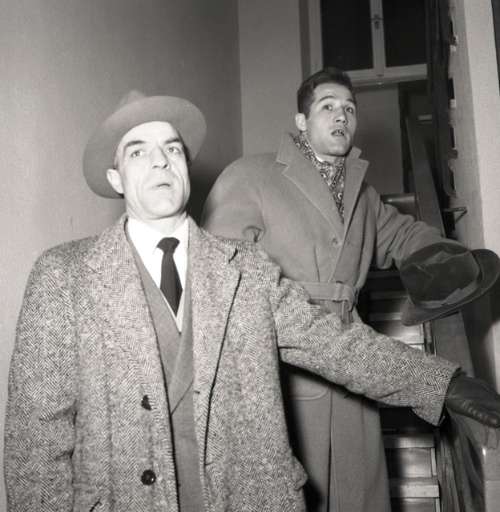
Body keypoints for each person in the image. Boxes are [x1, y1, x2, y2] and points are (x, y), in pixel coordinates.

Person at [4, 91, 500, 512]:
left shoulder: (247, 270)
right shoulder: (64, 276)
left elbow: (336, 344)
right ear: (116, 179)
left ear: (186, 168)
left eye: (172, 149)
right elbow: (35, 442)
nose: (160, 161)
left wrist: (444, 384)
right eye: (138, 152)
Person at [201, 67, 495, 511]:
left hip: (358, 366)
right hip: (283, 366)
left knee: (358, 493)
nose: (342, 116)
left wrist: (444, 258)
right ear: (301, 121)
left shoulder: (364, 195)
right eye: (328, 106)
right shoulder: (251, 176)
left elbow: (402, 234)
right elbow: (221, 281)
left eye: (350, 108)